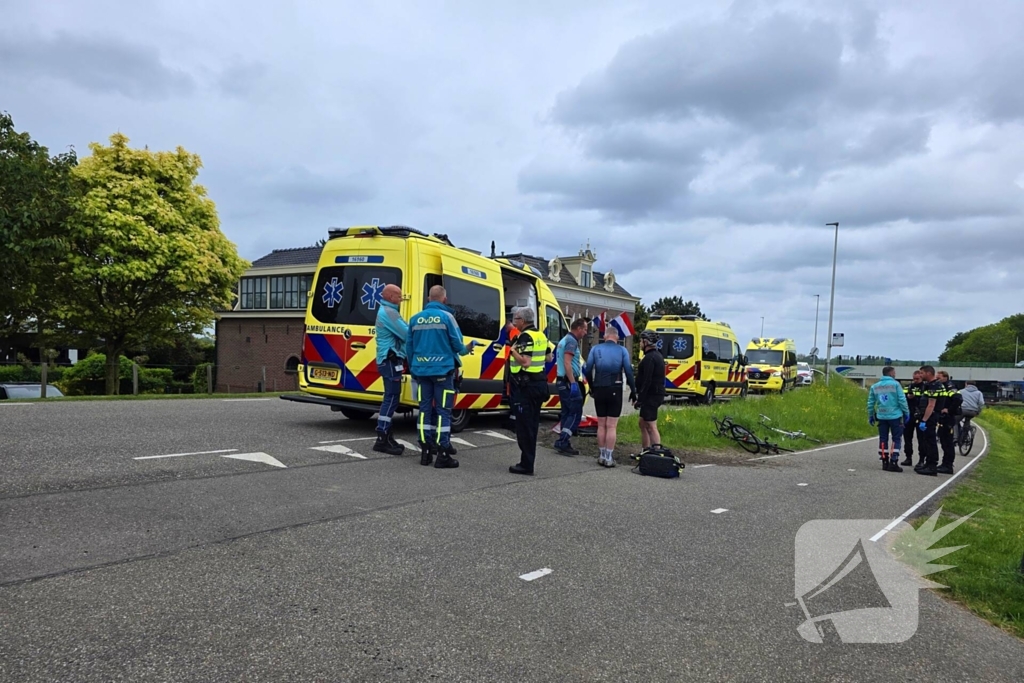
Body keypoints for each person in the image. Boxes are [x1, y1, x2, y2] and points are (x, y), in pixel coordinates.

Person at [406, 285, 476, 469]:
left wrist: (415, 368)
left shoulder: (414, 319)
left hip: (421, 372)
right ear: (444, 299)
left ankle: (425, 451)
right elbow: (457, 345)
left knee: (424, 411)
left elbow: (409, 348)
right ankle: (443, 452)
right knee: (444, 412)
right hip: (443, 372)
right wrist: (468, 348)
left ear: (429, 299)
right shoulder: (447, 317)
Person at [584, 325, 636, 468]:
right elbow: (629, 372)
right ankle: (609, 456)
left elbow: (587, 369)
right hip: (615, 388)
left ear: (605, 336)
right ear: (617, 337)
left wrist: (592, 386)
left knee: (601, 424)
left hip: (599, 387)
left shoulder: (595, 349)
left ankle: (601, 455)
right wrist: (633, 390)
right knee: (611, 425)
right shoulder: (622, 350)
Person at [507, 307, 551, 475]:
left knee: (524, 426)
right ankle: (528, 461)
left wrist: (513, 352)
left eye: (516, 319)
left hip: (527, 387)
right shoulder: (540, 335)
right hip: (539, 384)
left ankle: (526, 464)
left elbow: (525, 362)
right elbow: (548, 357)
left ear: (522, 320)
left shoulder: (526, 336)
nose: (514, 321)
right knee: (532, 424)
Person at [372, 284, 408, 456]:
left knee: (391, 397)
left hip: (389, 359)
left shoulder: (387, 311)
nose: (401, 299)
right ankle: (382, 437)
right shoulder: (390, 313)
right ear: (391, 297)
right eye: (399, 296)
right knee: (391, 398)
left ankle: (386, 435)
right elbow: (407, 333)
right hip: (390, 360)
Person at [553, 318, 588, 456]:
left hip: (562, 381)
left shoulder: (563, 340)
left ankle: (565, 443)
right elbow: (568, 363)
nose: (585, 332)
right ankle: (563, 440)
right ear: (578, 328)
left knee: (566, 413)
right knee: (575, 412)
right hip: (568, 381)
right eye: (585, 329)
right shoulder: (572, 341)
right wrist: (573, 383)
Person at [867, 366, 910, 472]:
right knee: (896, 438)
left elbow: (871, 402)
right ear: (891, 373)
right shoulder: (895, 384)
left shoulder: (875, 386)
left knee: (883, 438)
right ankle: (894, 461)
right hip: (895, 415)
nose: (895, 374)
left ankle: (884, 461)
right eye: (894, 373)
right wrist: (906, 412)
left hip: (881, 416)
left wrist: (871, 415)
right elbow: (902, 400)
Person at [634, 329, 666, 452]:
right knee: (642, 423)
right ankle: (646, 450)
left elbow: (647, 380)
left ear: (646, 342)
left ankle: (657, 453)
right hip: (653, 394)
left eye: (641, 341)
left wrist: (640, 400)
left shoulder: (650, 358)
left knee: (651, 425)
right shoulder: (655, 355)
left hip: (652, 395)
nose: (640, 343)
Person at [914, 365, 943, 477]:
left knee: (931, 442)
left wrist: (924, 420)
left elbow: (931, 405)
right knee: (927, 441)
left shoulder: (934, 386)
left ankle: (932, 466)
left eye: (922, 373)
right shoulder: (931, 385)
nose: (920, 375)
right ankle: (928, 464)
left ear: (928, 373)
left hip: (930, 417)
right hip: (928, 417)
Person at [936, 371, 961, 473]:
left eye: (939, 378)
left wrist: (949, 409)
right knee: (943, 442)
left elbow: (958, 399)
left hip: (948, 418)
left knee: (948, 443)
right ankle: (944, 463)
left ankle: (948, 465)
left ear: (945, 377)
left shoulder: (950, 386)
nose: (937, 380)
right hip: (943, 418)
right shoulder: (942, 386)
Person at [900, 370, 924, 467]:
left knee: (921, 439)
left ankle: (922, 459)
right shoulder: (908, 387)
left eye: (917, 379)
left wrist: (914, 398)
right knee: (907, 438)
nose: (915, 380)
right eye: (914, 378)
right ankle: (908, 457)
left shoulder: (925, 387)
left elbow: (924, 401)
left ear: (921, 378)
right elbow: (902, 399)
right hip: (909, 415)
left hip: (920, 416)